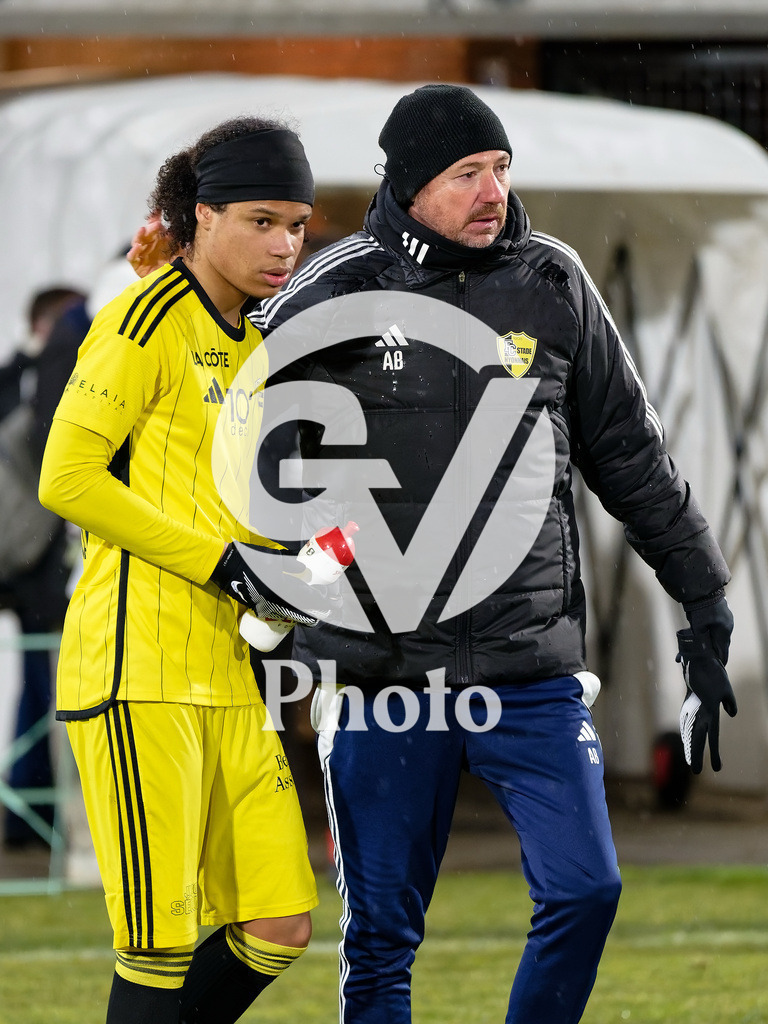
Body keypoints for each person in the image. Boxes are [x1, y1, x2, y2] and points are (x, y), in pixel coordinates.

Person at [130, 86, 737, 1024]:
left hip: (528, 663)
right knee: (379, 938)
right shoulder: (331, 290)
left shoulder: (554, 281)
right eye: (467, 174)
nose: (492, 190)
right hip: (384, 671)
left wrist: (705, 598)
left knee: (586, 891)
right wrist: (299, 590)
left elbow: (630, 458)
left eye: (500, 170)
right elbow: (231, 426)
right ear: (413, 184)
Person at [38, 115, 326, 1024]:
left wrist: (287, 566)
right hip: (137, 670)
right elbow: (66, 477)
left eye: (297, 225)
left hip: (229, 674)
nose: (284, 246)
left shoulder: (256, 339)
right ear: (202, 217)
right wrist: (222, 563)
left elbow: (228, 499)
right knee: (157, 948)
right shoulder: (140, 317)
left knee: (277, 924)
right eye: (261, 220)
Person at [0, 285, 84, 849]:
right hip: (36, 564)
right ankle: (33, 826)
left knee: (43, 694)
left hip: (41, 563)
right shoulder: (23, 383)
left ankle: (32, 825)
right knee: (46, 692)